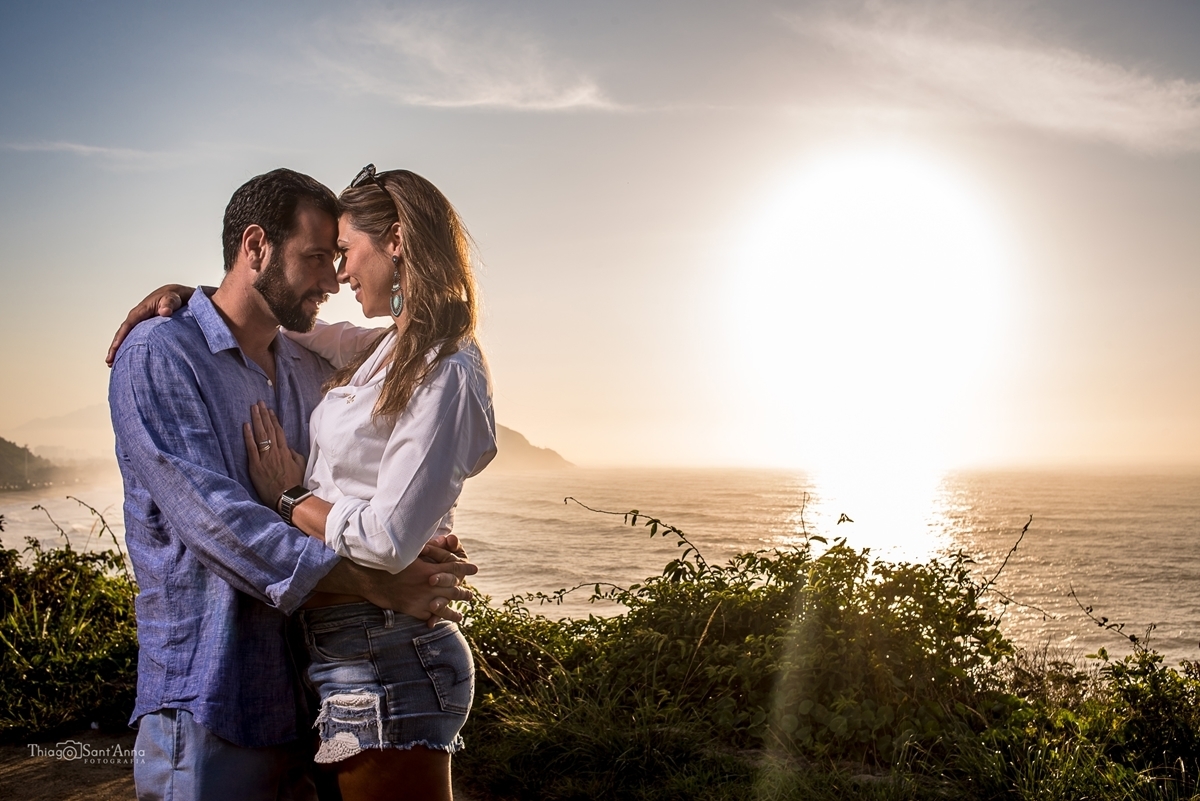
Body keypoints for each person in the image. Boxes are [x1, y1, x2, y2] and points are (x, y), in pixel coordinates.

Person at [108, 168, 477, 801]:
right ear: (255, 247)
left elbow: (426, 358)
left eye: (338, 259)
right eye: (316, 258)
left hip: (308, 689)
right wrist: (370, 579)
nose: (334, 280)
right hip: (210, 692)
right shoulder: (161, 355)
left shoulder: (313, 363)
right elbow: (218, 522)